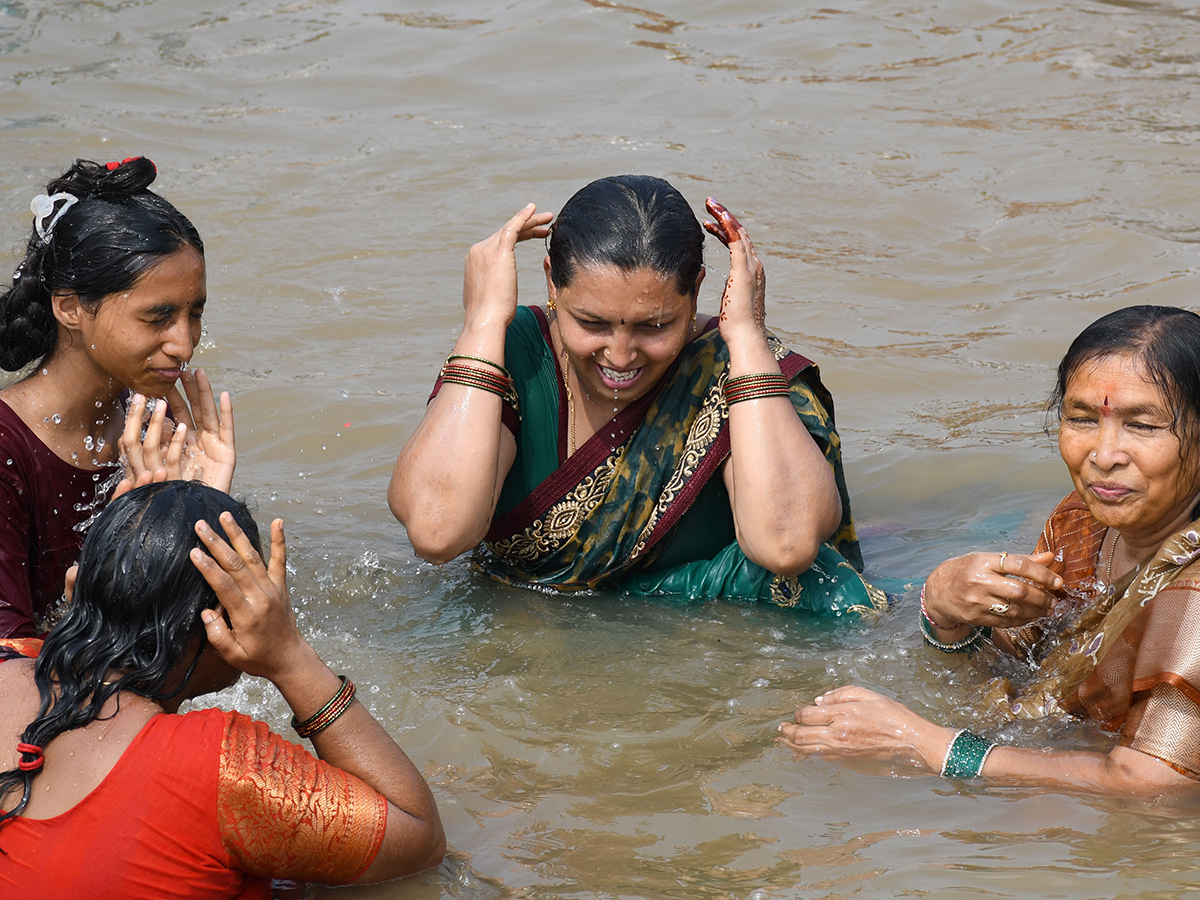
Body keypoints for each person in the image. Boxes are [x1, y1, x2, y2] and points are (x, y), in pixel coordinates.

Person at [388, 175, 884, 614]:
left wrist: (749, 339)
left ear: (698, 292)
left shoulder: (736, 369)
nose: (620, 356)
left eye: (655, 325)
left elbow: (787, 545)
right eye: (591, 323)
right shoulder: (511, 350)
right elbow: (437, 533)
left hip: (698, 646)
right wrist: (481, 320)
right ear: (550, 285)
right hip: (526, 638)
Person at [780, 305, 1200, 793]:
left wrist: (928, 746)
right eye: (1082, 419)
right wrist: (946, 611)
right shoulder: (1086, 521)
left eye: (1143, 426)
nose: (1103, 456)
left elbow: (1154, 785)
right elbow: (1023, 667)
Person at [0, 481, 445, 895]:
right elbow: (420, 839)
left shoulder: (8, 658)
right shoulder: (218, 767)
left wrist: (151, 527)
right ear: (217, 618)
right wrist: (291, 657)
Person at [0, 157, 234, 638]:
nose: (184, 344)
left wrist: (203, 506)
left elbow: (210, 644)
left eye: (194, 313)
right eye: (158, 317)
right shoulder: (8, 452)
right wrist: (125, 543)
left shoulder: (162, 428)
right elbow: (12, 672)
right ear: (70, 307)